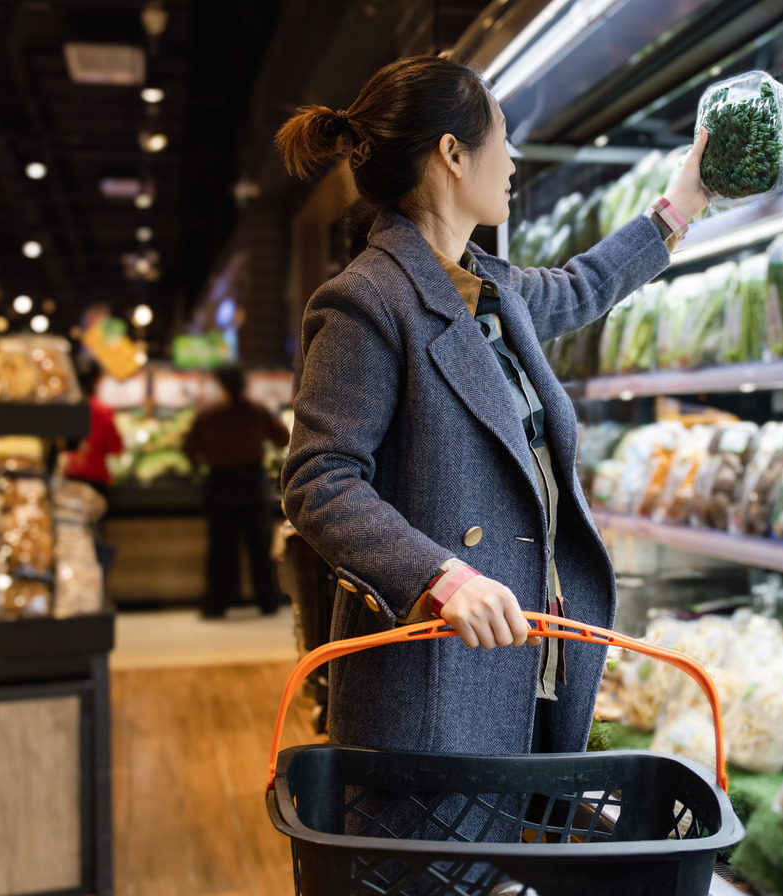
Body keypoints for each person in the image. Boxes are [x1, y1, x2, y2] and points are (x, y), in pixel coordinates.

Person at [276, 57, 710, 765]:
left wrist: (683, 202)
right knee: (440, 873)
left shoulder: (489, 288)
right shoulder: (364, 301)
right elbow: (319, 481)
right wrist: (439, 577)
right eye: (501, 139)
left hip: (522, 661)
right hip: (433, 682)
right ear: (453, 154)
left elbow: (581, 287)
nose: (510, 162)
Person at [184, 364, 290, 617]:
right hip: (252, 483)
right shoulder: (256, 411)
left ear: (220, 384)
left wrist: (208, 458)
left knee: (221, 548)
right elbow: (283, 438)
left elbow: (190, 449)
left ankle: (216, 605)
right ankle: (267, 602)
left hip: (220, 483)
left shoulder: (209, 414)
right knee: (259, 547)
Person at [63, 365, 124, 495]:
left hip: (71, 473)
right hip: (96, 476)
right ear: (97, 381)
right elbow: (116, 447)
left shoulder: (68, 409)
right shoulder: (103, 411)